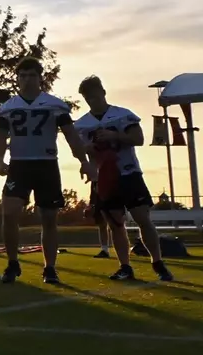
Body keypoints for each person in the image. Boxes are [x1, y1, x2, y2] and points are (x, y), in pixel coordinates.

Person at [0, 57, 93, 285]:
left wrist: (84, 161)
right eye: (23, 75)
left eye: (32, 75)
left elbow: (71, 136)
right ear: (17, 79)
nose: (27, 80)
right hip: (19, 164)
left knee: (48, 218)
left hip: (46, 164)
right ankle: (12, 263)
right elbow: (0, 138)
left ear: (40, 78)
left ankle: (50, 268)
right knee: (9, 213)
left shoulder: (54, 105)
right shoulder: (8, 107)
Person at [74, 76, 173, 281]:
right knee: (115, 224)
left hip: (129, 173)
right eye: (88, 97)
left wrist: (115, 136)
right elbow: (79, 150)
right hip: (104, 177)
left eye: (94, 95)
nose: (92, 100)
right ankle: (125, 266)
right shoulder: (82, 124)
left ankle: (157, 262)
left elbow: (138, 139)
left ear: (103, 92)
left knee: (143, 219)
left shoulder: (122, 115)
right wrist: (87, 153)